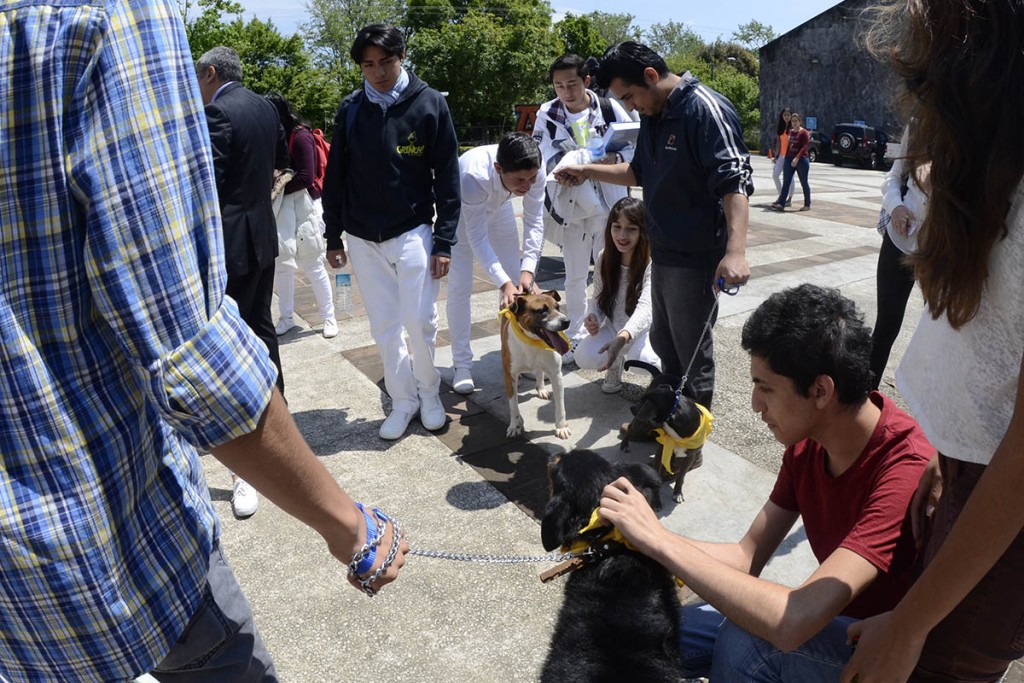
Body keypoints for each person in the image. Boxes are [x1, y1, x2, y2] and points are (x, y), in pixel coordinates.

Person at [0, 1, 407, 680]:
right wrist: (346, 523)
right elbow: (188, 348)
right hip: (110, 536)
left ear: (210, 75)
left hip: (27, 583)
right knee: (258, 339)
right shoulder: (100, 18)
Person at [597, 284, 933, 680]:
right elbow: (746, 556)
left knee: (749, 640)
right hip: (832, 625)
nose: (755, 404)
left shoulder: (904, 467)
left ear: (821, 390)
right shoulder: (809, 442)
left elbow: (794, 622)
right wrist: (636, 538)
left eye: (765, 387)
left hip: (891, 656)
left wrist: (659, 541)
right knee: (636, 632)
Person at [841, 2, 1024, 681]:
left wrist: (915, 620)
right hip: (968, 470)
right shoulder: (986, 170)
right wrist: (942, 451)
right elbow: (978, 345)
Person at [555, 41, 753, 412]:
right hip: (662, 250)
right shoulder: (653, 115)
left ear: (650, 76)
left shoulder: (704, 110)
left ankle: (689, 436)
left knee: (691, 347)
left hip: (695, 255)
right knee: (665, 341)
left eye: (629, 96)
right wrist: (585, 171)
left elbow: (735, 182)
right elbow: (637, 172)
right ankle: (666, 412)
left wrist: (735, 252)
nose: (629, 106)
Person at [322, 24, 460, 440]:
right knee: (384, 324)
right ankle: (403, 400)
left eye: (386, 62)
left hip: (413, 228)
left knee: (419, 320)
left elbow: (448, 176)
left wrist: (444, 239)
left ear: (401, 57)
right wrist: (333, 236)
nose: (378, 72)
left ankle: (429, 393)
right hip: (363, 236)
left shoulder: (430, 103)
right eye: (368, 65)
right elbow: (336, 177)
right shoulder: (350, 110)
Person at [196, 46, 289, 517]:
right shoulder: (264, 107)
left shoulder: (217, 112)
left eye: (199, 76)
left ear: (211, 73)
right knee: (261, 325)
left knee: (228, 340)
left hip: (228, 244)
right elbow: (279, 160)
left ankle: (245, 455)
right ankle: (280, 410)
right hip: (261, 234)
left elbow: (205, 184)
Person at [532, 53, 636, 363]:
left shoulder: (609, 107)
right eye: (559, 86)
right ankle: (576, 334)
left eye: (572, 84)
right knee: (575, 275)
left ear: (586, 81)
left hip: (609, 205)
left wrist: (609, 161)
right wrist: (567, 167)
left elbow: (633, 142)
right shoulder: (547, 113)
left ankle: (613, 329)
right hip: (572, 205)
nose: (566, 92)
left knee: (612, 270)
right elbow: (540, 150)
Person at [447, 132, 545, 394]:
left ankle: (518, 355)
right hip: (462, 214)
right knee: (460, 287)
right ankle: (462, 365)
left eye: (531, 178)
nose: (527, 185)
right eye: (520, 180)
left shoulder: (536, 169)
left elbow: (535, 221)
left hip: (500, 208)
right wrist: (502, 283)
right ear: (498, 168)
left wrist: (528, 269)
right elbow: (476, 237)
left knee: (517, 279)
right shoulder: (473, 175)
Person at [265, 91, 338, 341]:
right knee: (282, 265)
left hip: (304, 205)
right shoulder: (276, 136)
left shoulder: (300, 136)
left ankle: (329, 317)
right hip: (283, 206)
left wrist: (277, 186)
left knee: (312, 263)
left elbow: (307, 177)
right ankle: (286, 318)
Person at [575, 197, 661, 393]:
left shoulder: (652, 262)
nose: (622, 235)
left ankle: (660, 383)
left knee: (646, 361)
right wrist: (593, 317)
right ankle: (615, 365)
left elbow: (646, 308)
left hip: (645, 332)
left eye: (631, 228)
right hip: (614, 327)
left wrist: (623, 337)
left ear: (642, 231)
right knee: (583, 356)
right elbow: (598, 297)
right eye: (616, 227)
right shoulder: (604, 257)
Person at [869, 137, 927, 389]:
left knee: (941, 335)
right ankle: (861, 403)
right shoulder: (919, 123)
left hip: (943, 250)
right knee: (885, 326)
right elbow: (893, 177)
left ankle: (932, 419)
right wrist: (896, 207)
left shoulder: (982, 122)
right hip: (900, 240)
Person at [770, 111, 811, 212]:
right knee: (786, 181)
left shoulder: (804, 133)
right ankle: (782, 203)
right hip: (789, 159)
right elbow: (788, 146)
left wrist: (797, 158)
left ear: (800, 121)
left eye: (796, 121)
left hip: (801, 160)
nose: (794, 123)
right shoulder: (791, 132)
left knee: (804, 182)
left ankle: (807, 204)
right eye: (793, 121)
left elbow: (804, 147)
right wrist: (784, 158)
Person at [772, 107, 796, 207]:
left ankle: (789, 199)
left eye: (788, 115)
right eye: (784, 115)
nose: (786, 117)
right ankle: (782, 196)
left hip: (790, 156)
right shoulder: (781, 128)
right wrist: (776, 155)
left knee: (790, 178)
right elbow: (779, 143)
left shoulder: (794, 128)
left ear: (791, 116)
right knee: (775, 175)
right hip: (781, 156)